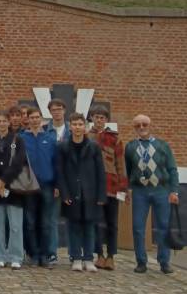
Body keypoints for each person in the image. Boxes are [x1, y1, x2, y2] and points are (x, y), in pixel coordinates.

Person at [125, 114, 179, 275]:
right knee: (138, 227)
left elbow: (172, 169)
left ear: (150, 125)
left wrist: (174, 191)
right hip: (140, 191)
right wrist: (127, 189)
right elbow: (128, 170)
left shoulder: (163, 146)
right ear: (134, 128)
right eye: (138, 125)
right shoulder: (131, 147)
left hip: (161, 190)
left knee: (163, 226)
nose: (141, 128)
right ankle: (141, 262)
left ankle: (164, 262)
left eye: (144, 124)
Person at [56, 112, 106, 272]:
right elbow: (60, 172)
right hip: (71, 193)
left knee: (90, 227)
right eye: (74, 124)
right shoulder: (63, 147)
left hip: (90, 193)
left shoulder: (93, 147)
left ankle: (89, 258)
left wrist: (101, 195)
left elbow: (100, 172)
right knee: (74, 227)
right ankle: (76, 257)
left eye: (80, 124)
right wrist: (64, 193)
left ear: (85, 127)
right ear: (70, 127)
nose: (77, 128)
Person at [0, 110, 26, 269]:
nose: (1, 123)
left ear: (9, 123)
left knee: (15, 225)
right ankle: (0, 255)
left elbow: (18, 163)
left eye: (4, 121)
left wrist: (4, 180)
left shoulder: (18, 140)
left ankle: (16, 256)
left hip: (13, 187)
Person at [89, 105, 127, 270]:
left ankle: (111, 256)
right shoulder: (86, 136)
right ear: (92, 118)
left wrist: (123, 188)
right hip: (94, 187)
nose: (99, 120)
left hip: (112, 186)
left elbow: (120, 165)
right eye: (96, 117)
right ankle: (99, 255)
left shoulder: (115, 139)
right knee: (96, 222)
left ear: (106, 120)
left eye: (102, 118)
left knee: (112, 223)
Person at [19, 107, 58, 268]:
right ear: (27, 119)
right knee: (30, 221)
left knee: (46, 222)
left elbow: (56, 163)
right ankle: (33, 254)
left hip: (47, 185)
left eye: (37, 117)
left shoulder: (50, 138)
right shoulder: (21, 138)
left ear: (41, 119)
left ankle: (45, 255)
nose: (35, 120)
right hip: (28, 186)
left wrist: (57, 185)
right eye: (32, 117)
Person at [43, 97, 69, 263]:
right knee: (50, 218)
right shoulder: (45, 131)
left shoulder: (72, 131)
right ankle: (51, 251)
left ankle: (76, 254)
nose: (57, 111)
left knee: (74, 218)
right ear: (50, 112)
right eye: (54, 109)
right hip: (50, 181)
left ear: (64, 110)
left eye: (59, 108)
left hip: (70, 181)